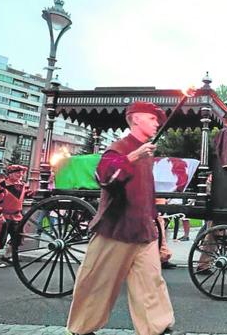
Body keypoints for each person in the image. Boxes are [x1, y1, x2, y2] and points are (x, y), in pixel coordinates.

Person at [66, 101, 175, 335]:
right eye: (152, 118)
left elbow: (146, 195)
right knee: (96, 283)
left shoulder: (145, 151)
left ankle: (156, 329)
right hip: (116, 229)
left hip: (142, 231)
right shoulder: (121, 147)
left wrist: (157, 231)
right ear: (136, 119)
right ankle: (81, 329)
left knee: (151, 284)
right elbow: (103, 176)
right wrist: (133, 156)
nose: (157, 123)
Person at [0, 165, 31, 268]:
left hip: (17, 215)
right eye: (18, 173)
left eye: (22, 173)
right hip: (3, 215)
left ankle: (7, 255)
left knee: (18, 236)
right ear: (11, 174)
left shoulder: (22, 185)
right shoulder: (2, 185)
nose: (21, 175)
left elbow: (28, 194)